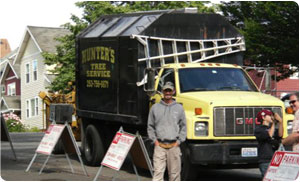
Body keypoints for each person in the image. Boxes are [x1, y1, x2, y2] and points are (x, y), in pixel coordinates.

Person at [147, 82, 187, 181]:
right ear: (162, 91)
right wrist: (155, 141)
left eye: (170, 90)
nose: (168, 93)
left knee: (174, 175)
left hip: (174, 146)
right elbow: (150, 126)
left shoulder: (179, 108)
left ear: (173, 91)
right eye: (166, 90)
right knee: (158, 173)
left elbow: (184, 127)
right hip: (159, 146)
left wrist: (179, 142)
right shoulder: (155, 108)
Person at [254, 109, 283, 178]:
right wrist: (273, 123)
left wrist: (281, 122)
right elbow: (269, 135)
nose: (271, 117)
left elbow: (280, 134)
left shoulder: (271, 128)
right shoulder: (259, 129)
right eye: (269, 115)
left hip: (274, 159)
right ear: (263, 117)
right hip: (265, 160)